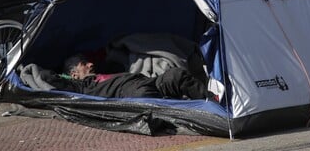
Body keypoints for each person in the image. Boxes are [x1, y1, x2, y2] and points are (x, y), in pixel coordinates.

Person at [61, 54, 210, 100]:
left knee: (176, 75)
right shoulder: (82, 86)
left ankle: (214, 103)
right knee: (143, 96)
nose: (90, 64)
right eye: (84, 63)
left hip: (147, 81)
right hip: (132, 92)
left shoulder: (107, 70)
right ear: (74, 74)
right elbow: (46, 77)